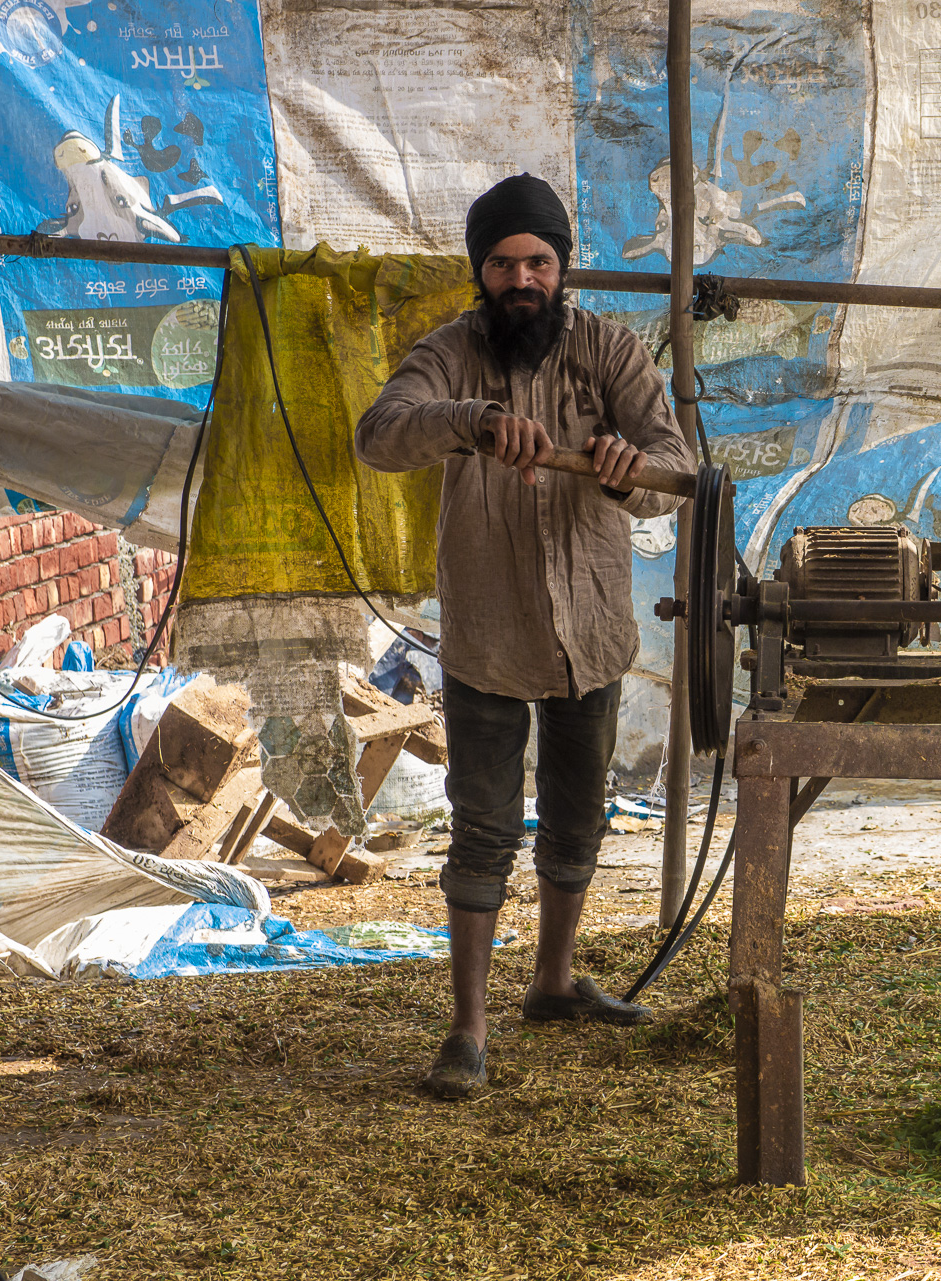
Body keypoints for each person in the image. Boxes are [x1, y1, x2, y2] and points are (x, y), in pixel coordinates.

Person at [354, 174, 694, 1100]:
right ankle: (466, 1028)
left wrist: (630, 469)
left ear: (562, 267)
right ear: (480, 272)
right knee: (483, 826)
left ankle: (551, 979)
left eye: (537, 261)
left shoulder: (611, 352)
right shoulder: (450, 353)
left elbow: (679, 466)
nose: (521, 279)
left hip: (590, 629)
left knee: (578, 809)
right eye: (502, 263)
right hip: (489, 634)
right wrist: (469, 422)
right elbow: (378, 434)